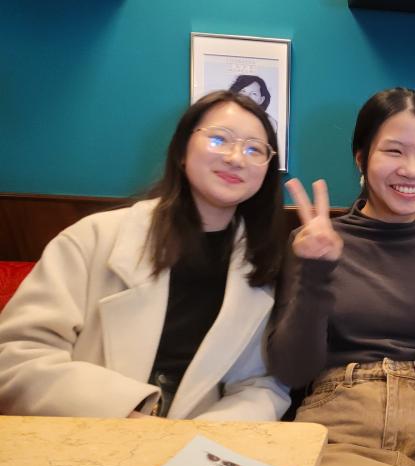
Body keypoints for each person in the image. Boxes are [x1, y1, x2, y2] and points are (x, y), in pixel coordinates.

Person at [0, 90, 289, 420]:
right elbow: (15, 358)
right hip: (86, 433)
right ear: (181, 151)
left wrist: (197, 443)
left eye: (255, 149)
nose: (236, 158)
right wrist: (126, 412)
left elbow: (262, 386)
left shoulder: (265, 263)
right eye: (219, 139)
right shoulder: (93, 238)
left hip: (198, 454)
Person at [266, 87, 415, 466]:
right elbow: (293, 371)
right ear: (361, 157)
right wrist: (316, 271)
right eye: (394, 151)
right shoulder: (316, 241)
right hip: (337, 424)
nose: (413, 170)